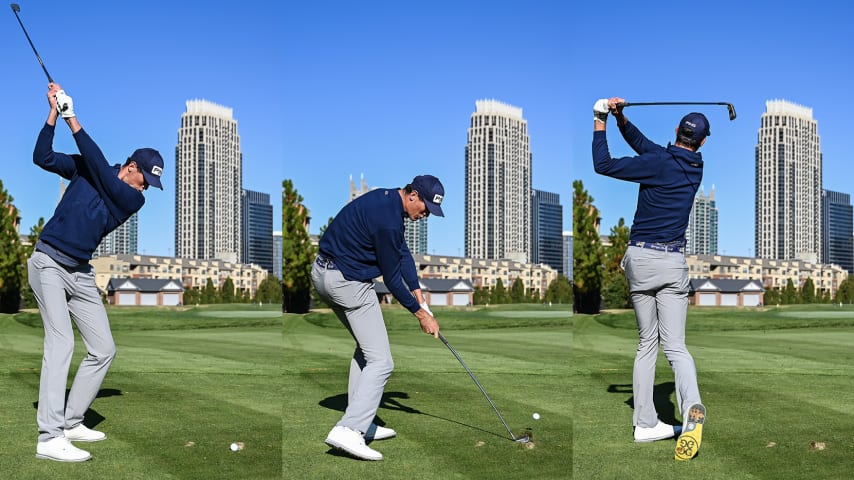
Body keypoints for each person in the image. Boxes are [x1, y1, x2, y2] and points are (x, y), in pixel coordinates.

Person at [28, 83, 164, 462]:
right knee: (62, 343)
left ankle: (72, 420)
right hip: (49, 263)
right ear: (132, 167)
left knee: (103, 348)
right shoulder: (91, 167)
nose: (147, 190)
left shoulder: (130, 199)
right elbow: (42, 156)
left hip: (80, 273)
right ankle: (49, 436)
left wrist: (75, 118)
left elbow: (102, 172)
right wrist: (55, 113)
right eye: (146, 181)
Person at [591, 97, 706, 461]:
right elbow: (646, 147)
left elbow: (603, 164)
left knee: (646, 344)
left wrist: (600, 120)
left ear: (676, 132)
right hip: (671, 265)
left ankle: (644, 424)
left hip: (639, 260)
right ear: (701, 142)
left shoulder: (660, 161)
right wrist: (622, 117)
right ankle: (691, 408)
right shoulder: (694, 165)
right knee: (676, 347)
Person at [312, 174, 444, 461]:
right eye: (425, 209)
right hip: (347, 282)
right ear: (412, 195)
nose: (425, 216)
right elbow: (393, 279)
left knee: (367, 349)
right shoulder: (388, 221)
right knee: (382, 361)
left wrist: (419, 294)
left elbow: (403, 254)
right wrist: (421, 315)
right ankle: (350, 429)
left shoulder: (387, 202)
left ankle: (363, 420)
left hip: (324, 274)